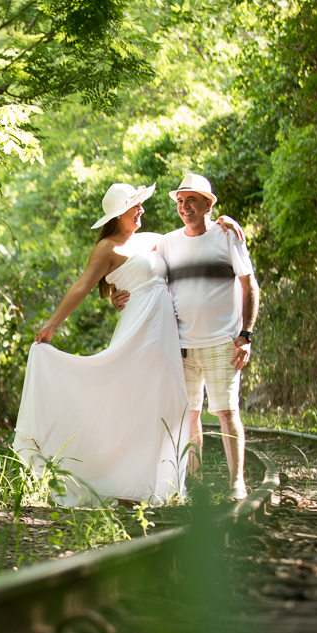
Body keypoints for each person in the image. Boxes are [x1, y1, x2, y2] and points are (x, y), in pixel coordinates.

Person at [12, 183, 189, 506]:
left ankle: (159, 484)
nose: (141, 210)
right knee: (131, 400)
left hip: (163, 332)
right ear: (118, 213)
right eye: (135, 206)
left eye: (140, 205)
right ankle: (119, 483)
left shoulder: (152, 240)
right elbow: (83, 286)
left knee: (168, 399)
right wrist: (53, 324)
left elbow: (189, 239)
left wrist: (222, 224)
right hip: (140, 331)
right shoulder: (106, 248)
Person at [113, 173, 259, 500]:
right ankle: (196, 483)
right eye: (180, 201)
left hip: (224, 344)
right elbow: (126, 258)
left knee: (226, 412)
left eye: (191, 200)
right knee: (189, 416)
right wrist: (113, 291)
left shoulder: (227, 236)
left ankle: (237, 484)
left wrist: (245, 335)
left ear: (208, 204)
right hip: (182, 347)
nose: (184, 207)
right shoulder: (167, 242)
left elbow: (250, 286)